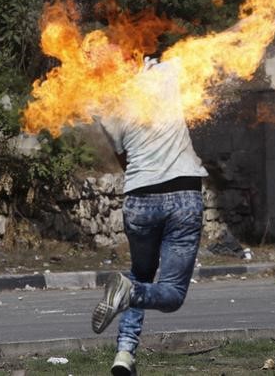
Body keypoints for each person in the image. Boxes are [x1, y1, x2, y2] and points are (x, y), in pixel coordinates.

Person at [92, 56, 208, 376]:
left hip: (139, 199)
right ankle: (130, 294)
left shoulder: (105, 102)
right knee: (170, 294)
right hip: (184, 197)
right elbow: (214, 57)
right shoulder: (168, 72)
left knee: (140, 273)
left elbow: (123, 159)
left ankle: (124, 353)